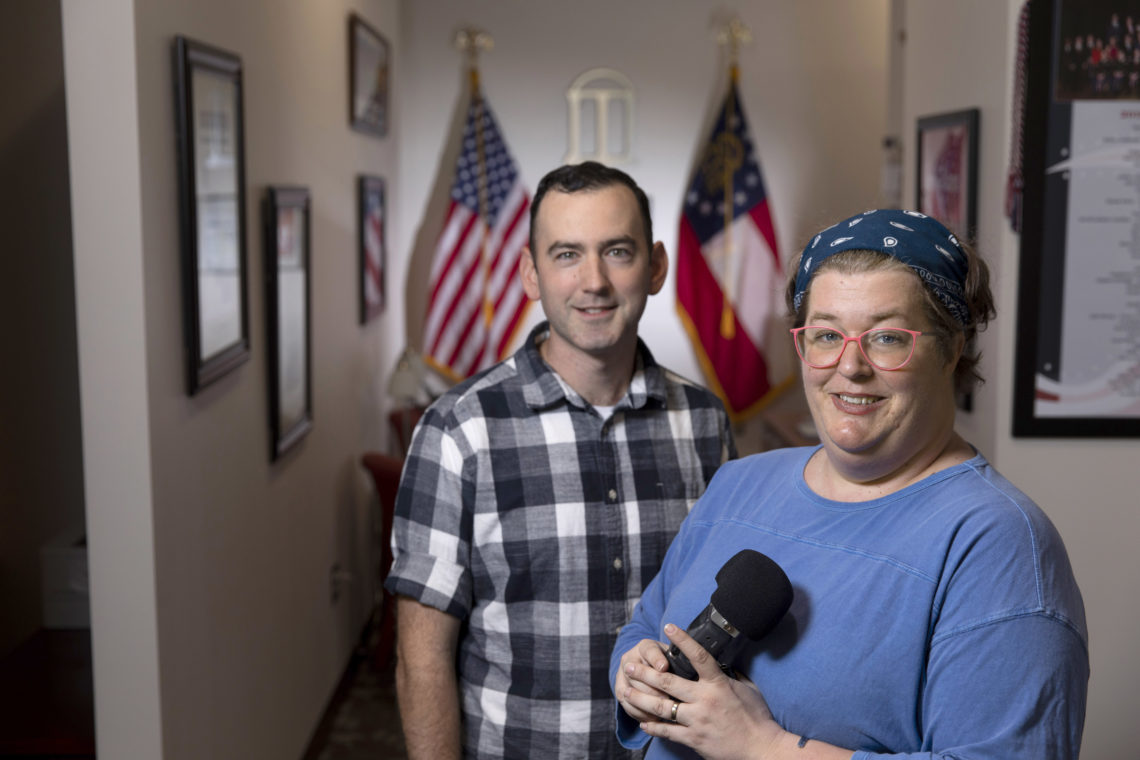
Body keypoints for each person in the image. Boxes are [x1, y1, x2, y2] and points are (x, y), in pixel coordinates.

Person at [612, 209, 1089, 760]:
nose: (850, 366)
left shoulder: (997, 545)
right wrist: (637, 673)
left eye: (887, 338)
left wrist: (761, 747)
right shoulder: (740, 482)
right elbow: (648, 624)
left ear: (951, 347)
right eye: (825, 335)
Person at [386, 161, 736, 759]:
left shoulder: (705, 423)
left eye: (617, 252)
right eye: (566, 254)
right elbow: (422, 660)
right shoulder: (459, 432)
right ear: (530, 273)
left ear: (655, 267)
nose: (593, 281)